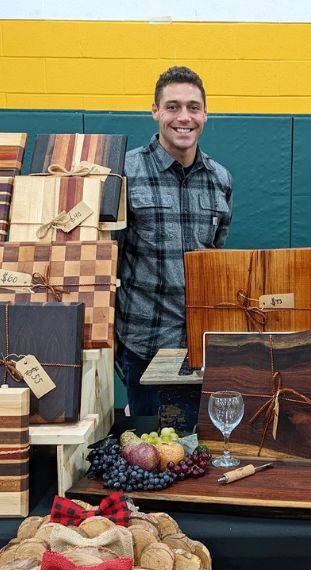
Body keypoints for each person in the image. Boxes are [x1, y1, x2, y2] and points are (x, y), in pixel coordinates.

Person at [115, 65, 233, 427]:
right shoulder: (123, 171)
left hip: (200, 345)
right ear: (155, 112)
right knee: (150, 453)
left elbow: (216, 258)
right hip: (142, 343)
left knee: (195, 451)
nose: (184, 117)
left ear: (205, 115)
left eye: (194, 107)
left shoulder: (221, 180)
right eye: (173, 107)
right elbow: (107, 262)